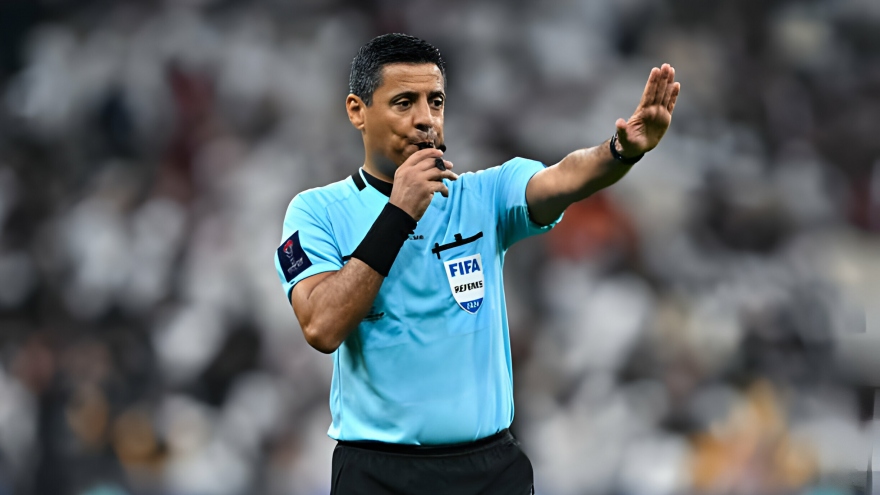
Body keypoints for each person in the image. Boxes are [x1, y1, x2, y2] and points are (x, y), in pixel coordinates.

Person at [274, 33, 680, 495]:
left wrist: (620, 150)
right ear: (357, 111)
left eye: (435, 101)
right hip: (378, 473)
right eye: (404, 102)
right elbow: (322, 327)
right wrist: (400, 212)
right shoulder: (317, 212)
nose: (425, 118)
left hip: (489, 471)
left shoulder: (484, 194)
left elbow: (564, 178)